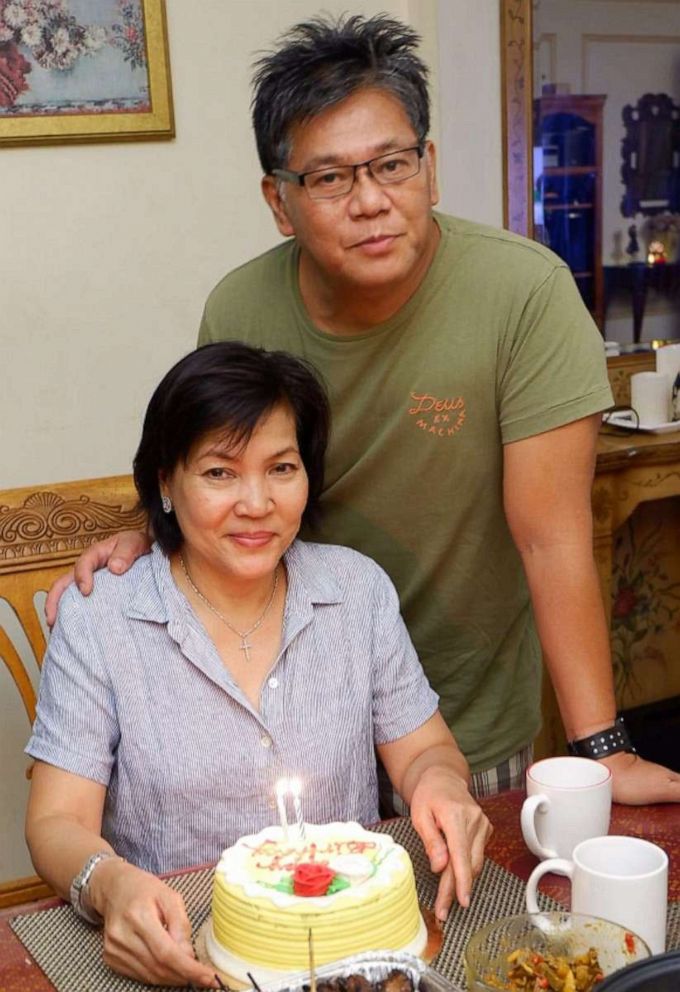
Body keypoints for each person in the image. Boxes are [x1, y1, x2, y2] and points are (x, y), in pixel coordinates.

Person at [46, 14, 680, 804]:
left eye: (392, 164)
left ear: (431, 168)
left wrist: (604, 748)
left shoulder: (525, 295)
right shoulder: (242, 306)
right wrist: (148, 533)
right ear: (280, 202)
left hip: (464, 716)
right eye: (331, 178)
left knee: (471, 916)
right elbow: (228, 470)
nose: (371, 200)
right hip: (295, 720)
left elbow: (550, 536)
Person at [27, 341, 492, 988]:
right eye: (219, 473)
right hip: (181, 950)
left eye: (281, 467)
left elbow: (424, 753)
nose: (256, 502)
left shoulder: (356, 591)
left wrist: (440, 782)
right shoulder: (102, 618)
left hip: (352, 956)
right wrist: (108, 886)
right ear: (165, 481)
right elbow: (57, 822)